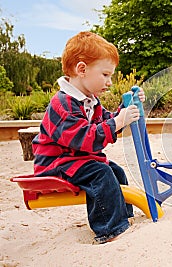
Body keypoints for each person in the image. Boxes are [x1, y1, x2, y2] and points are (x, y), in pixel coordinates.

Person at [32, 31, 145, 244]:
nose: (110, 82)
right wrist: (118, 122)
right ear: (82, 69)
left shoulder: (89, 101)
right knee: (101, 173)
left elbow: (106, 121)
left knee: (115, 171)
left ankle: (124, 218)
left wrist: (125, 111)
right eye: (105, 75)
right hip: (56, 163)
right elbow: (84, 137)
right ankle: (110, 230)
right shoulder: (62, 104)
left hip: (76, 159)